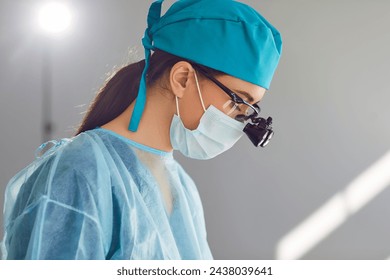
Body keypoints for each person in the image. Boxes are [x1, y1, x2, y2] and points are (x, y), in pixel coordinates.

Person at [1, 0, 282, 259]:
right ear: (182, 79)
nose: (241, 121)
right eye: (238, 101)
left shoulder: (182, 186)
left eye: (250, 109)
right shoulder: (81, 171)